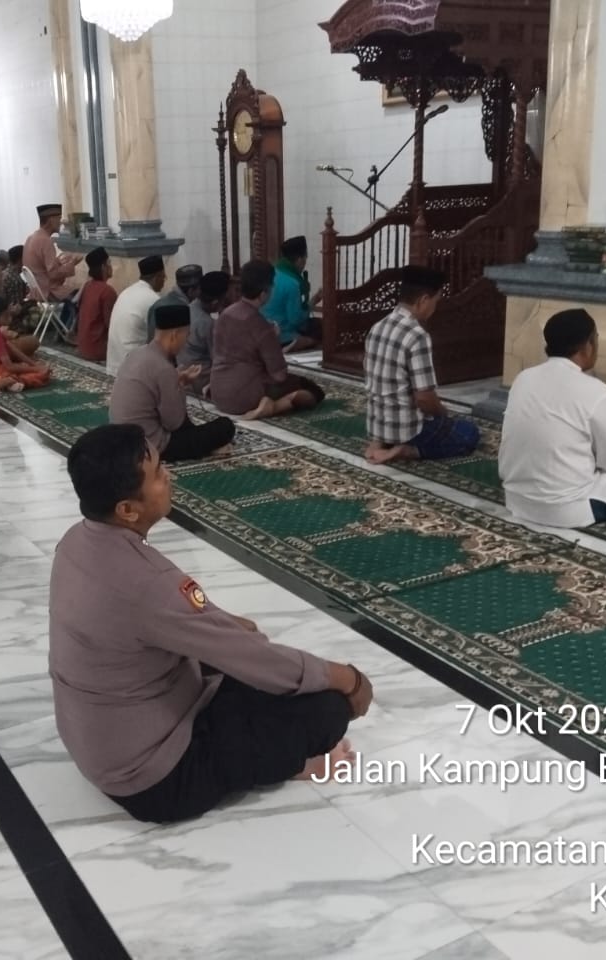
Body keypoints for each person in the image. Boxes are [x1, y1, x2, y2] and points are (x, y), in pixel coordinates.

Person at [49, 424, 373, 823]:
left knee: (245, 650)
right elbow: (252, 656)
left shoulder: (74, 542)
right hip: (156, 782)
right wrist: (347, 679)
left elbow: (172, 623)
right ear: (127, 510)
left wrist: (229, 631)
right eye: (157, 473)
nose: (168, 476)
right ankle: (290, 763)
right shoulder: (148, 582)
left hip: (103, 746)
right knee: (325, 709)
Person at [499, 308, 606, 527]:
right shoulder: (597, 392)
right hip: (569, 509)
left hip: (516, 500)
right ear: (587, 345)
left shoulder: (523, 378)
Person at [364, 265, 479, 464]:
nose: (435, 307)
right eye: (435, 301)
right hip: (408, 430)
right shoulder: (416, 335)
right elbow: (424, 399)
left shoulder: (377, 327)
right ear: (423, 300)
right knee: (468, 433)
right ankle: (408, 451)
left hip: (378, 424)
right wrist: (443, 415)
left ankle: (381, 442)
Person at [110, 304, 236, 462]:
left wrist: (176, 380)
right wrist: (177, 386)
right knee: (225, 426)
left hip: (121, 439)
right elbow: (174, 423)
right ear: (175, 335)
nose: (186, 341)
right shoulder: (163, 368)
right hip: (151, 446)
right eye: (186, 335)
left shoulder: (136, 354)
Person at [209, 259, 325, 419]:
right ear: (264, 293)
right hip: (245, 397)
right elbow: (279, 374)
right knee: (313, 392)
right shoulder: (261, 325)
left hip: (218, 392)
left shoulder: (225, 315)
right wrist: (273, 339)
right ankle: (273, 407)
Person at [0, 295, 51, 393]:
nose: (9, 318)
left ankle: (10, 382)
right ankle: (9, 382)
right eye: (6, 316)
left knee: (24, 366)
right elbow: (9, 366)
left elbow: (13, 349)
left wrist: (33, 364)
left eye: (9, 314)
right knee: (40, 375)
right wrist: (36, 369)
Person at [105, 255, 165, 375]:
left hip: (113, 364)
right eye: (163, 276)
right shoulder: (153, 299)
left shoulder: (127, 291)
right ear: (157, 277)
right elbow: (160, 340)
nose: (165, 280)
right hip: (132, 370)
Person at [176, 270, 231, 396]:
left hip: (184, 373)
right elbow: (219, 360)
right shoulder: (207, 323)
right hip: (201, 381)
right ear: (216, 302)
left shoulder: (187, 309)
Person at [263, 236, 322, 352]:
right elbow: (296, 320)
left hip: (261, 331)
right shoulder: (292, 283)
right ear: (300, 260)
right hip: (281, 335)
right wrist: (314, 301)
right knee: (319, 333)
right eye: (305, 258)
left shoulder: (272, 272)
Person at [23, 203, 81, 300]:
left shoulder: (30, 238)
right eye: (59, 218)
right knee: (84, 294)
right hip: (48, 292)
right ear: (51, 220)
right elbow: (53, 274)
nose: (60, 222)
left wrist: (58, 262)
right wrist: (72, 264)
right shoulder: (45, 241)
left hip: (36, 291)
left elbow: (41, 267)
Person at [77, 247, 117, 362]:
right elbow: (111, 325)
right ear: (103, 267)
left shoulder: (87, 286)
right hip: (98, 349)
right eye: (109, 263)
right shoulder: (107, 291)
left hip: (82, 348)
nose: (111, 267)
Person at [146, 264, 202, 341]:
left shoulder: (158, 304)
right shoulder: (183, 311)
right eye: (200, 289)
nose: (201, 292)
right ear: (191, 291)